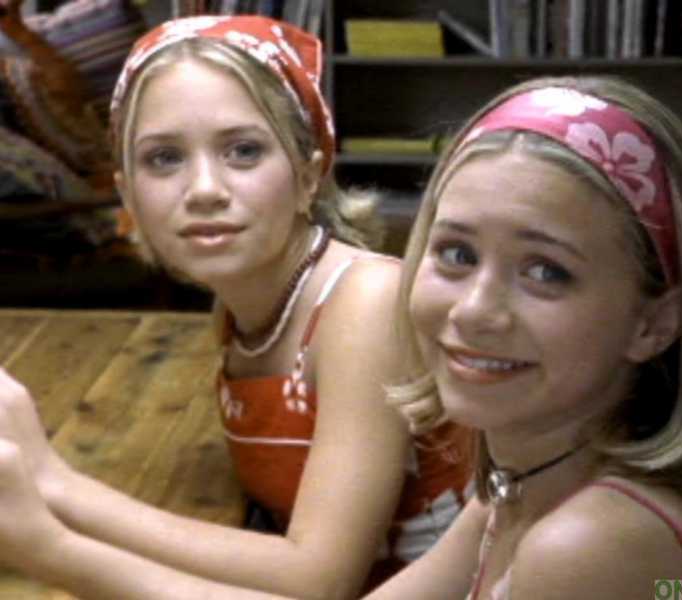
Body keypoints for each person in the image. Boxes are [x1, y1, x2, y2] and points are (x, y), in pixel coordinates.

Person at [0, 74, 682, 599]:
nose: (475, 310)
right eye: (456, 254)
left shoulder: (586, 543)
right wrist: (47, 520)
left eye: (547, 272)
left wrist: (51, 542)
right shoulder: (520, 479)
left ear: (653, 322)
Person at [0, 15, 471, 600]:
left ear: (309, 176)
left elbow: (318, 578)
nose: (204, 189)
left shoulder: (362, 304)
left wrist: (54, 487)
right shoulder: (240, 302)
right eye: (164, 158)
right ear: (128, 195)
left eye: (243, 151)